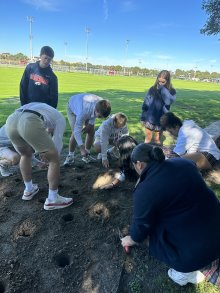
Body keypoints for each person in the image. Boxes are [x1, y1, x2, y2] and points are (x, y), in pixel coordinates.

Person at [121, 143, 220, 287]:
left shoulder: (145, 190)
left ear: (139, 164)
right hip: (215, 225)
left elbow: (140, 230)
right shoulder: (184, 163)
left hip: (197, 253)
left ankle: (186, 274)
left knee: (153, 233)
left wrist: (130, 239)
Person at [5, 102, 73, 210]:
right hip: (29, 120)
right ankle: (53, 199)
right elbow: (57, 144)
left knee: (25, 154)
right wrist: (50, 158)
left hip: (11, 120)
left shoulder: (42, 109)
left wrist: (39, 157)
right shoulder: (59, 119)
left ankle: (29, 189)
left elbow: (42, 135)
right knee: (54, 159)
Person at [64, 93, 111, 166]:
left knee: (91, 132)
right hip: (72, 107)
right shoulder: (83, 112)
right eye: (99, 116)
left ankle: (86, 155)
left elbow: (94, 115)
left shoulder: (103, 104)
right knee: (75, 133)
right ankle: (70, 156)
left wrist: (90, 124)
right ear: (96, 110)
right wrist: (82, 148)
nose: (100, 118)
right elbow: (77, 132)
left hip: (85, 104)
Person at [141, 70, 176, 145]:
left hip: (161, 119)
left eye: (163, 82)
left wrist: (162, 89)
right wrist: (143, 118)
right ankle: (144, 154)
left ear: (168, 81)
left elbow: (168, 101)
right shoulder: (152, 89)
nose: (160, 83)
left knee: (157, 139)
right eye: (159, 81)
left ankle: (157, 155)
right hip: (149, 118)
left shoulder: (172, 91)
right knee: (148, 138)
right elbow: (146, 104)